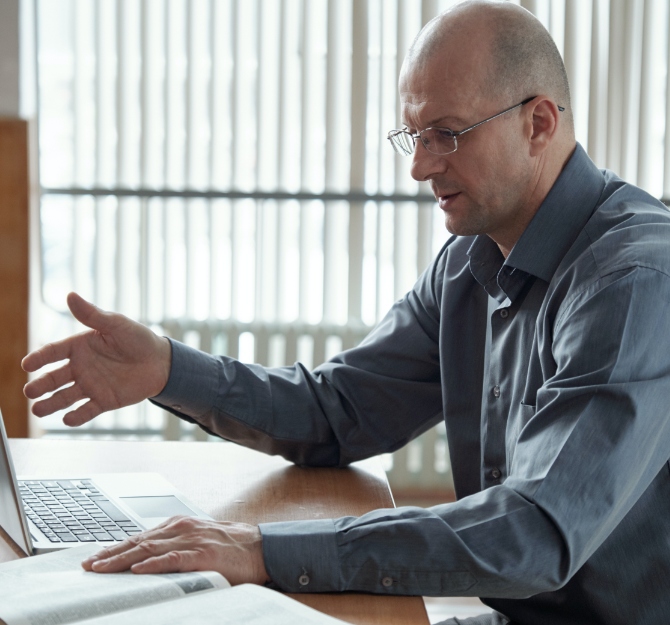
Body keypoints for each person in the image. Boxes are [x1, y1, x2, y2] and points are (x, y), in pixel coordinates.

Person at [21, 1, 670, 624]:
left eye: (446, 134)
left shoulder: (634, 281)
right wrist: (167, 369)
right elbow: (339, 410)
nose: (419, 167)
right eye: (414, 136)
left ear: (540, 124)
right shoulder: (467, 264)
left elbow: (535, 530)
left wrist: (265, 549)